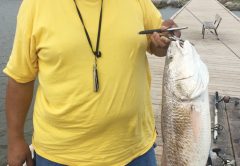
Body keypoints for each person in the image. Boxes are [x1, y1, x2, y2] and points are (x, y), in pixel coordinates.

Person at [4, 0, 180, 165]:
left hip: (135, 150)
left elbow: (158, 41)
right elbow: (20, 78)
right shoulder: (35, 5)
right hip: (58, 155)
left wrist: (165, 39)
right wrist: (15, 139)